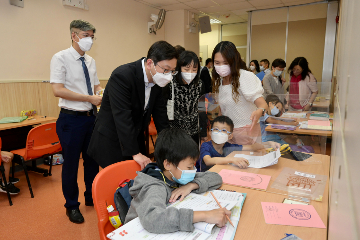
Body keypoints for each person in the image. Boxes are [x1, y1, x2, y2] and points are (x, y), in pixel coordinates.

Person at [88, 41, 175, 169]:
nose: (168, 76)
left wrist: (170, 149)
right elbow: (122, 117)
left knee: (135, 181)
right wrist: (134, 152)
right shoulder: (122, 76)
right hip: (112, 139)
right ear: (150, 63)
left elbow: (161, 117)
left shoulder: (157, 81)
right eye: (166, 70)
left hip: (134, 137)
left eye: (172, 71)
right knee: (115, 182)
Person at [124, 128, 230, 233]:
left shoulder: (174, 174)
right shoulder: (154, 186)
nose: (192, 171)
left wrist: (191, 185)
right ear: (168, 164)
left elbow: (216, 178)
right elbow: (153, 219)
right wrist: (205, 215)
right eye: (189, 167)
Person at [50, 20, 102, 224]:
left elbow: (95, 86)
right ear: (74, 35)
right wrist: (89, 98)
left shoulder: (90, 61)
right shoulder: (60, 57)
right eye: (86, 35)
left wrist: (100, 94)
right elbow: (58, 90)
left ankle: (91, 197)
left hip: (91, 118)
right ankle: (71, 206)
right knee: (71, 165)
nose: (89, 39)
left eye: (92, 36)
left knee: (92, 162)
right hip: (70, 119)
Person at [212, 41, 268, 145]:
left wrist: (259, 111)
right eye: (217, 63)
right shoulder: (218, 81)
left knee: (246, 160)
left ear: (233, 61)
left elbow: (263, 105)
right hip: (227, 132)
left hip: (246, 131)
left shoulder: (245, 77)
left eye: (225, 63)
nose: (221, 66)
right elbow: (223, 109)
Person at [197, 116, 280, 172]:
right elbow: (208, 161)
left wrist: (268, 144)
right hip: (204, 177)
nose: (219, 132)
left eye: (224, 130)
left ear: (230, 136)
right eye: (216, 129)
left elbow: (251, 147)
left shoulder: (228, 146)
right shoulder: (206, 145)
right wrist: (232, 159)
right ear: (210, 132)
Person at [163, 51, 206, 145]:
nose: (190, 73)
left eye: (194, 69)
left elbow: (202, 109)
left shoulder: (199, 84)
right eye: (186, 69)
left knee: (192, 157)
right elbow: (162, 109)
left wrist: (203, 132)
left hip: (194, 131)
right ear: (179, 68)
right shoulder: (170, 83)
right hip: (175, 133)